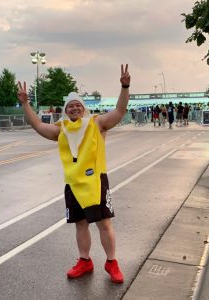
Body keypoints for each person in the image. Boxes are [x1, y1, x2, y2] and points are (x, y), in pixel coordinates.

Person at [17, 64, 130, 284]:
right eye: (70, 106)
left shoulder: (97, 124)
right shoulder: (61, 129)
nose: (75, 108)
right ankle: (85, 261)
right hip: (73, 184)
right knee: (80, 224)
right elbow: (37, 125)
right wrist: (25, 103)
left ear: (84, 108)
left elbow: (119, 111)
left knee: (104, 224)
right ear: (65, 110)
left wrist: (124, 87)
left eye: (78, 105)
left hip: (96, 182)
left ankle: (111, 262)